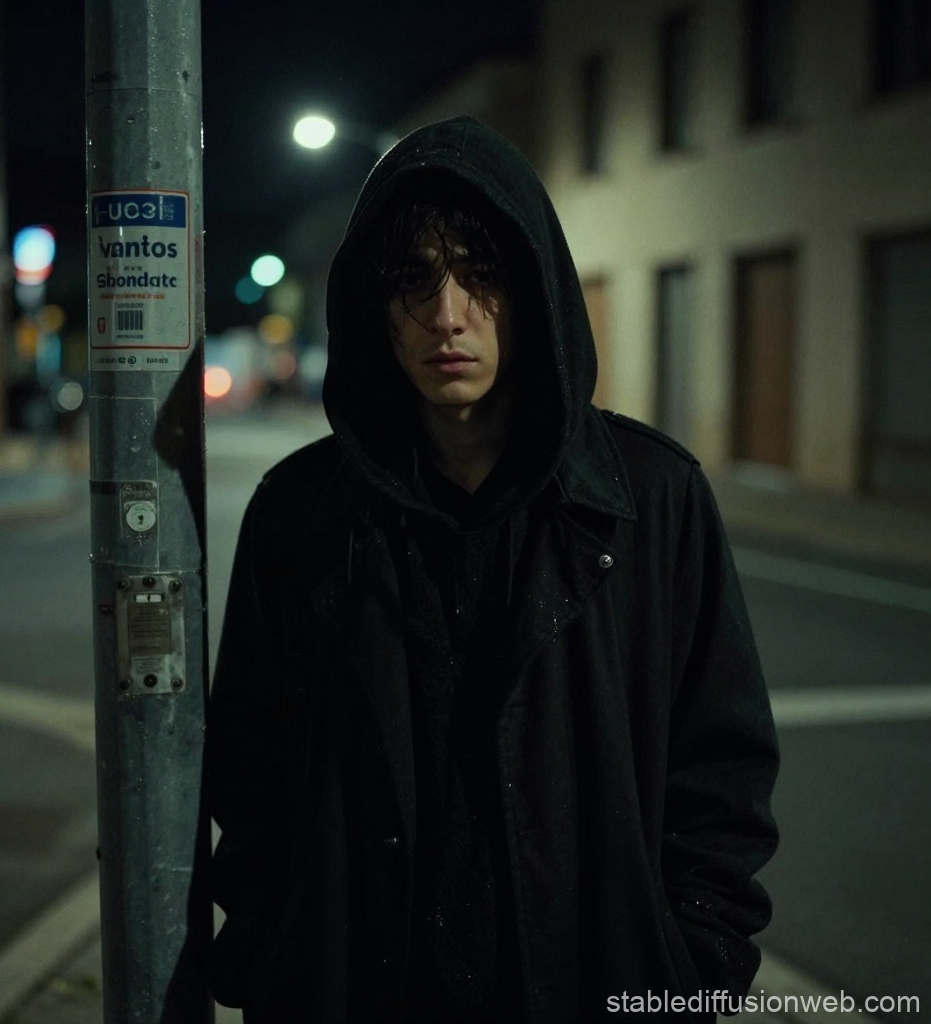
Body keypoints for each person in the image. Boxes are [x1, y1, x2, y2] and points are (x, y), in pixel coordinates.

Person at [206, 116, 779, 1024]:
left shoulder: (650, 498)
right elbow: (250, 768)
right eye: (414, 280)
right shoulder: (300, 513)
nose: (448, 315)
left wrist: (693, 974)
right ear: (373, 305)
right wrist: (273, 957)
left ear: (536, 286)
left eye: (482, 274)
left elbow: (721, 770)